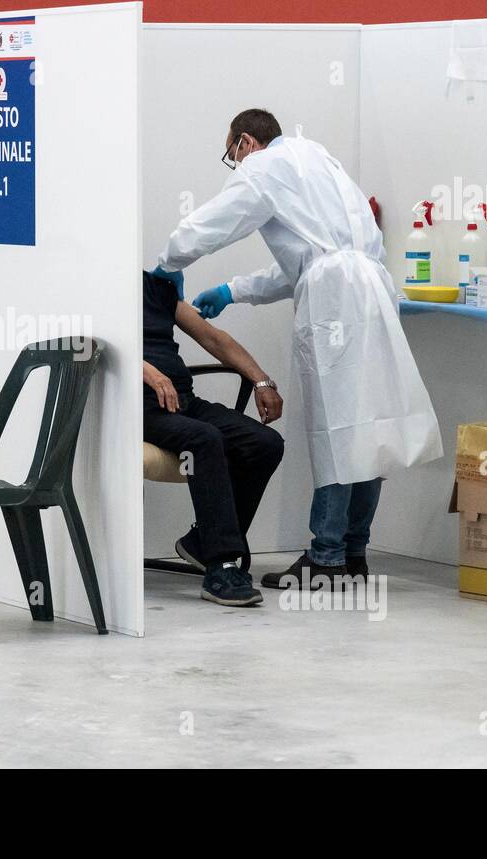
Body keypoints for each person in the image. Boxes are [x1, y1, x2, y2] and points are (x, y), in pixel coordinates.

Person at [152, 108, 441, 588]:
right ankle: (353, 553)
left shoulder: (264, 167)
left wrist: (168, 261)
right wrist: (234, 290)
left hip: (337, 302)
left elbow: (213, 223)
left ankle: (325, 558)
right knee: (368, 427)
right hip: (371, 288)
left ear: (245, 142)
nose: (235, 165)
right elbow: (310, 259)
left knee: (337, 428)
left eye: (232, 155)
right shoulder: (319, 159)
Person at [142, 271, 285, 607]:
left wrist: (261, 382)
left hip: (182, 401)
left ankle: (202, 542)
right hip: (135, 408)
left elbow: (212, 338)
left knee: (264, 442)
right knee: (205, 438)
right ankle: (221, 566)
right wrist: (144, 369)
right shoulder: (93, 284)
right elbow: (87, 340)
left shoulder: (154, 286)